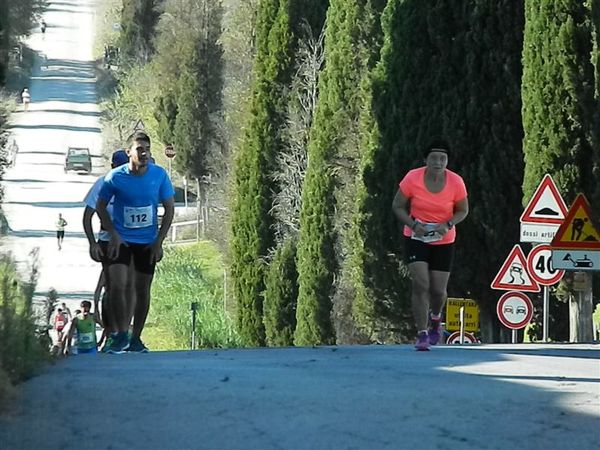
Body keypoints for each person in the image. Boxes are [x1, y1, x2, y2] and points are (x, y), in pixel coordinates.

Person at [96, 132, 175, 354]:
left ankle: (136, 338)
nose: (144, 153)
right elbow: (100, 206)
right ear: (128, 152)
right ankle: (121, 334)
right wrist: (113, 233)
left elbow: (169, 209)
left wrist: (159, 241)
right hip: (122, 240)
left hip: (147, 242)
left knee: (142, 289)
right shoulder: (115, 177)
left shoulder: (159, 176)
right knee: (118, 286)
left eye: (147, 149)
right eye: (139, 149)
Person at [392, 139, 469, 351]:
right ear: (426, 160)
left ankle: (436, 319)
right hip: (416, 237)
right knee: (421, 284)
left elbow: (463, 210)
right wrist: (413, 224)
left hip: (444, 239)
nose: (438, 162)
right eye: (434, 158)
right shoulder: (413, 178)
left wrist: (448, 223)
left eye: (443, 158)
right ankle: (422, 333)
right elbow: (397, 206)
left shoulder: (456, 182)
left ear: (447, 161)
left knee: (437, 290)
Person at [83, 149, 130, 352]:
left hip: (132, 242)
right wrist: (93, 243)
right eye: (118, 166)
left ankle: (127, 333)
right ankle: (114, 332)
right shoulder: (102, 184)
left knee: (131, 288)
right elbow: (87, 217)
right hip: (107, 242)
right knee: (114, 288)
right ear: (111, 166)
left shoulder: (134, 183)